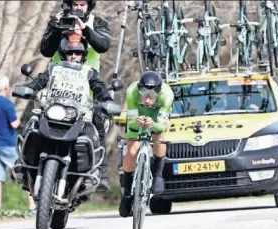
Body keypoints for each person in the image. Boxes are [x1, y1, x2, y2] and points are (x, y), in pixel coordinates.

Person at [23, 35, 113, 192]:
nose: (73, 56)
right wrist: (29, 89)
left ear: (83, 55)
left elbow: (99, 87)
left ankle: (100, 173)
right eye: (70, 52)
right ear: (63, 54)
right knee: (32, 124)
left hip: (78, 115)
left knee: (96, 130)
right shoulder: (54, 69)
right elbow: (40, 80)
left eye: (78, 52)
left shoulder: (89, 73)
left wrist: (107, 99)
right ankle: (24, 166)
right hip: (52, 111)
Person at [119, 71, 174, 217]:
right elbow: (131, 123)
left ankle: (157, 175)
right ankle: (127, 194)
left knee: (159, 136)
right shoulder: (132, 92)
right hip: (137, 116)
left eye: (152, 94)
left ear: (159, 91)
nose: (148, 99)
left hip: (156, 117)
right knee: (131, 151)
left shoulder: (166, 95)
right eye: (144, 92)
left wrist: (153, 124)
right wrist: (136, 123)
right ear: (139, 88)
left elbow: (161, 126)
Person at [0, 75, 36, 213]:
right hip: (7, 144)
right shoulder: (7, 104)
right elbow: (14, 123)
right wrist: (20, 122)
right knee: (24, 172)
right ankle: (32, 207)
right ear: (6, 88)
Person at [40, 0, 110, 73]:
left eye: (82, 5)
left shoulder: (98, 23)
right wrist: (57, 28)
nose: (78, 8)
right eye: (75, 4)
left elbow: (104, 47)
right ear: (70, 5)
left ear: (88, 6)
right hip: (58, 75)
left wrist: (85, 30)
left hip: (89, 77)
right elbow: (46, 52)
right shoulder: (58, 21)